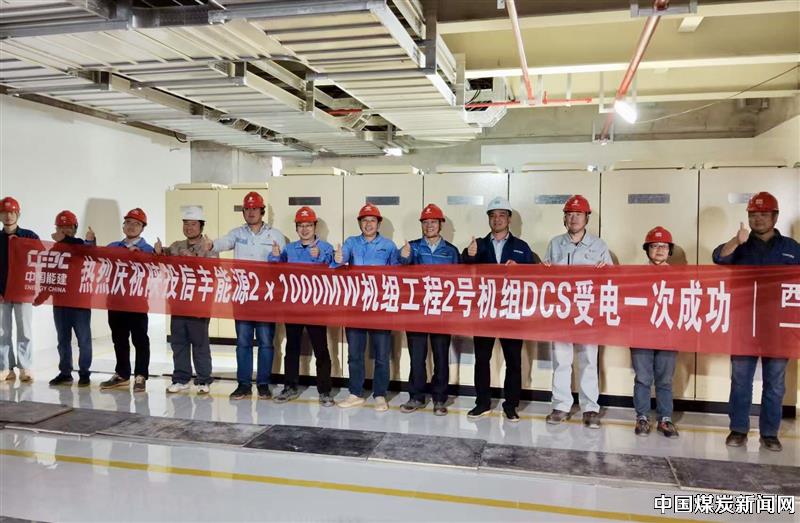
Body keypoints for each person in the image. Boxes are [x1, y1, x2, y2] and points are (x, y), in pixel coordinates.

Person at [713, 191, 800, 452]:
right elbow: (718, 258)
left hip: (778, 327)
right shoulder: (739, 245)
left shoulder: (792, 248)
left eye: (763, 214)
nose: (758, 218)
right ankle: (738, 429)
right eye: (753, 214)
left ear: (775, 216)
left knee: (775, 383)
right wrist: (735, 241)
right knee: (741, 380)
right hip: (744, 325)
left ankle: (769, 433)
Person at [461, 196, 541, 422]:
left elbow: (536, 276)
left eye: (502, 215)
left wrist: (521, 269)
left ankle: (511, 405)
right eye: (493, 215)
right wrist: (469, 255)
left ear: (509, 219)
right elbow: (462, 267)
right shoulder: (478, 244)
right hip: (484, 309)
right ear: (488, 219)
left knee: (513, 360)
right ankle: (482, 403)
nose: (497, 219)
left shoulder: (521, 247)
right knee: (482, 359)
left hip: (511, 311)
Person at [205, 191, 285, 400]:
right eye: (247, 209)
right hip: (242, 297)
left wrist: (278, 258)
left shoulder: (275, 235)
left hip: (266, 298)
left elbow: (286, 264)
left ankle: (264, 384)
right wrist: (212, 245)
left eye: (254, 208)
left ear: (262, 211)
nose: (251, 212)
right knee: (243, 342)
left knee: (266, 342)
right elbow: (223, 242)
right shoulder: (237, 233)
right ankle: (243, 384)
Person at [543, 195, 612, 429]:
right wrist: (545, 271)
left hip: (587, 312)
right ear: (564, 218)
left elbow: (613, 281)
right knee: (561, 360)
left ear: (586, 218)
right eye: (569, 214)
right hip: (561, 312)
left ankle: (590, 408)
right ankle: (561, 405)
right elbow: (545, 278)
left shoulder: (599, 246)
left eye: (578, 214)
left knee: (588, 360)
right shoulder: (555, 244)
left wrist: (606, 271)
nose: (573, 218)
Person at [333, 203, 399, 411]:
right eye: (364, 220)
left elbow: (398, 274)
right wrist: (337, 259)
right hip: (356, 306)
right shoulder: (351, 242)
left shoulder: (389, 245)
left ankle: (380, 395)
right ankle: (355, 393)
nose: (368, 224)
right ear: (360, 223)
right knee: (354, 354)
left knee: (382, 355)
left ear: (378, 223)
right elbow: (339, 260)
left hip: (380, 307)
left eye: (372, 220)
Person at [268, 206, 335, 407]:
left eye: (308, 225)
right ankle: (290, 387)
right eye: (301, 226)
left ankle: (325, 391)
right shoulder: (289, 249)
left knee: (321, 349)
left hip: (316, 307)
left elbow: (334, 269)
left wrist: (319, 257)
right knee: (292, 348)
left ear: (315, 227)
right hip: (294, 306)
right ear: (296, 228)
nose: (305, 229)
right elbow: (275, 269)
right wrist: (274, 256)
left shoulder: (326, 247)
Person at [398, 204, 460, 416]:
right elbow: (401, 267)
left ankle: (440, 398)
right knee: (417, 357)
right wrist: (403, 256)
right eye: (425, 222)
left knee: (441, 357)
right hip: (416, 312)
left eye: (433, 222)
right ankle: (416, 396)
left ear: (441, 224)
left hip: (442, 312)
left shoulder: (451, 251)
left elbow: (459, 281)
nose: (429, 225)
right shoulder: (412, 247)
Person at [155, 205, 216, 395]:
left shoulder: (208, 247)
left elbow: (213, 270)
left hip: (199, 302)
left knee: (199, 342)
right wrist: (158, 251)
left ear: (201, 226)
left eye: (193, 224)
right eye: (186, 224)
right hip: (179, 301)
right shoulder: (176, 246)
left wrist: (194, 258)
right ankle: (181, 378)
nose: (189, 228)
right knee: (178, 342)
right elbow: (162, 257)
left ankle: (203, 379)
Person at [94, 208, 155, 393]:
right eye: (128, 222)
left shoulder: (148, 249)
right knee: (119, 339)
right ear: (123, 226)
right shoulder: (113, 246)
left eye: (136, 224)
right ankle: (122, 374)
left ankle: (141, 375)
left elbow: (155, 266)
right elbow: (95, 258)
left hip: (137, 302)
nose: (132, 226)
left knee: (140, 340)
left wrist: (141, 255)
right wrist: (90, 243)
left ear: (143, 228)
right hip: (116, 301)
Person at [631, 226, 678, 438]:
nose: (659, 250)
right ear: (647, 249)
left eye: (663, 246)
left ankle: (665, 419)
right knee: (643, 378)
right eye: (654, 246)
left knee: (665, 379)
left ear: (670, 250)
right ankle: (642, 417)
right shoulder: (635, 275)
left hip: (668, 335)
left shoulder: (680, 277)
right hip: (641, 334)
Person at [47, 210, 93, 387]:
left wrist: (65, 240)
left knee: (83, 340)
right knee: (63, 340)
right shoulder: (54, 250)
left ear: (75, 228)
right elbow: (48, 275)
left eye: (68, 226)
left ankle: (84, 373)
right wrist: (42, 295)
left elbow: (91, 250)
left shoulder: (80, 245)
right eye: (61, 227)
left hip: (80, 303)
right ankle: (65, 373)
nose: (64, 230)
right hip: (60, 303)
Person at [0, 196, 39, 383]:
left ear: (18, 214)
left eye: (11, 212)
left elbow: (42, 260)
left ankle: (25, 367)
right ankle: (5, 367)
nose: (8, 216)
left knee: (25, 331)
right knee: (2, 332)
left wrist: (36, 287)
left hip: (23, 292)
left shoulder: (30, 237)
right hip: (1, 293)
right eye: (4, 212)